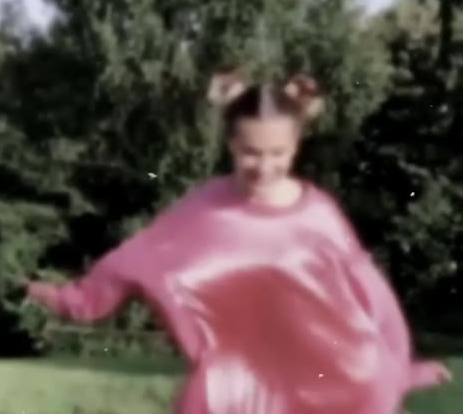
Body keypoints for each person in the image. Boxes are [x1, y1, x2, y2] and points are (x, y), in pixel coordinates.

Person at [27, 69, 451, 413]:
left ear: (296, 146)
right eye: (251, 152)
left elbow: (371, 294)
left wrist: (398, 366)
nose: (264, 166)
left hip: (332, 377)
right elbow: (135, 259)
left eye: (277, 153)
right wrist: (70, 300)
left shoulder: (319, 214)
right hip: (239, 385)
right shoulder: (203, 209)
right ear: (232, 143)